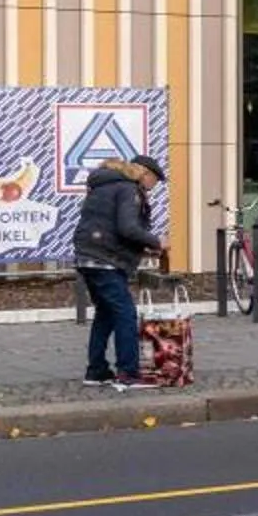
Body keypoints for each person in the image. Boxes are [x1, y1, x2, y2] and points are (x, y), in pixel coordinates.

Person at [74, 151, 166, 389]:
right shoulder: (128, 189)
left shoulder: (105, 185)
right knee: (125, 314)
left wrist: (144, 250)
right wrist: (156, 242)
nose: (152, 188)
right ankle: (128, 373)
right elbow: (127, 228)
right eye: (153, 182)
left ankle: (96, 371)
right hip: (106, 261)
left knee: (105, 314)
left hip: (88, 257)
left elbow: (109, 228)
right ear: (145, 174)